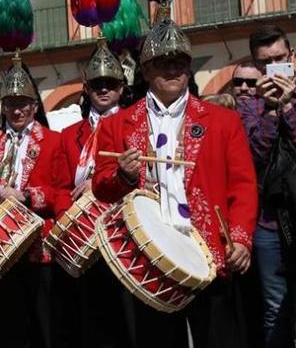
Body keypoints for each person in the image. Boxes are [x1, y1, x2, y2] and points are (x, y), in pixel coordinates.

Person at [93, 18, 257, 348]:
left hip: (211, 253)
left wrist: (240, 239)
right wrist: (123, 174)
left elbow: (243, 185)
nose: (172, 69)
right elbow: (101, 187)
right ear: (146, 70)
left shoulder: (223, 121)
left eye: (180, 62)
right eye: (162, 63)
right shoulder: (118, 125)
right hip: (150, 256)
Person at [0, 55, 71, 348]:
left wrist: (27, 195)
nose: (17, 109)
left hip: (40, 251)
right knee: (9, 333)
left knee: (45, 333)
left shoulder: (53, 141)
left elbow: (62, 192)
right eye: (11, 103)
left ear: (35, 106)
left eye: (23, 102)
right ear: (3, 106)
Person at [59, 39, 136, 348]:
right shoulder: (68, 135)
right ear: (86, 88)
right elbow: (60, 186)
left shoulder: (134, 124)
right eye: (96, 84)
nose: (103, 89)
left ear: (121, 87)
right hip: (83, 236)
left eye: (110, 83)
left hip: (125, 233)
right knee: (92, 324)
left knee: (130, 322)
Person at [237, 25, 296, 348]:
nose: (275, 68)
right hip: (268, 221)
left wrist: (289, 107)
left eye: (280, 59)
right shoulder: (248, 106)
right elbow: (254, 154)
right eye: (266, 64)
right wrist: (272, 109)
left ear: (292, 56)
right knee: (275, 309)